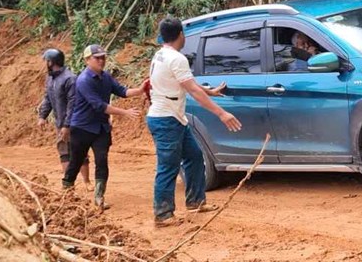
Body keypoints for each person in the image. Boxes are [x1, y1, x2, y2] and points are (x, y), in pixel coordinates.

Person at [147, 17, 242, 227]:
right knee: (168, 166)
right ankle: (162, 214)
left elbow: (186, 83)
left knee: (194, 156)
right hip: (166, 120)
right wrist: (221, 113)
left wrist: (210, 91)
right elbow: (191, 90)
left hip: (173, 118)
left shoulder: (161, 55)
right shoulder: (176, 58)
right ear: (181, 34)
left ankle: (195, 201)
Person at [62, 44, 144, 210]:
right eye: (97, 58)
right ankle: (66, 191)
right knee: (76, 161)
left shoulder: (105, 77)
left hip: (101, 128)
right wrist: (125, 112)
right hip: (82, 128)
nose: (101, 60)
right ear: (87, 60)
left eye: (103, 57)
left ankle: (99, 197)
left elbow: (121, 91)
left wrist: (141, 90)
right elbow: (98, 105)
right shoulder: (83, 80)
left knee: (102, 160)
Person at [37, 49, 92, 191]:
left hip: (74, 123)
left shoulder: (70, 78)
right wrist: (42, 116)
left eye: (46, 61)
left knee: (80, 151)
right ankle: (68, 184)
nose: (45, 64)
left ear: (51, 62)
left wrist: (67, 125)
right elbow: (48, 98)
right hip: (60, 122)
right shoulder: (50, 79)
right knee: (64, 152)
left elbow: (73, 103)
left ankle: (87, 182)